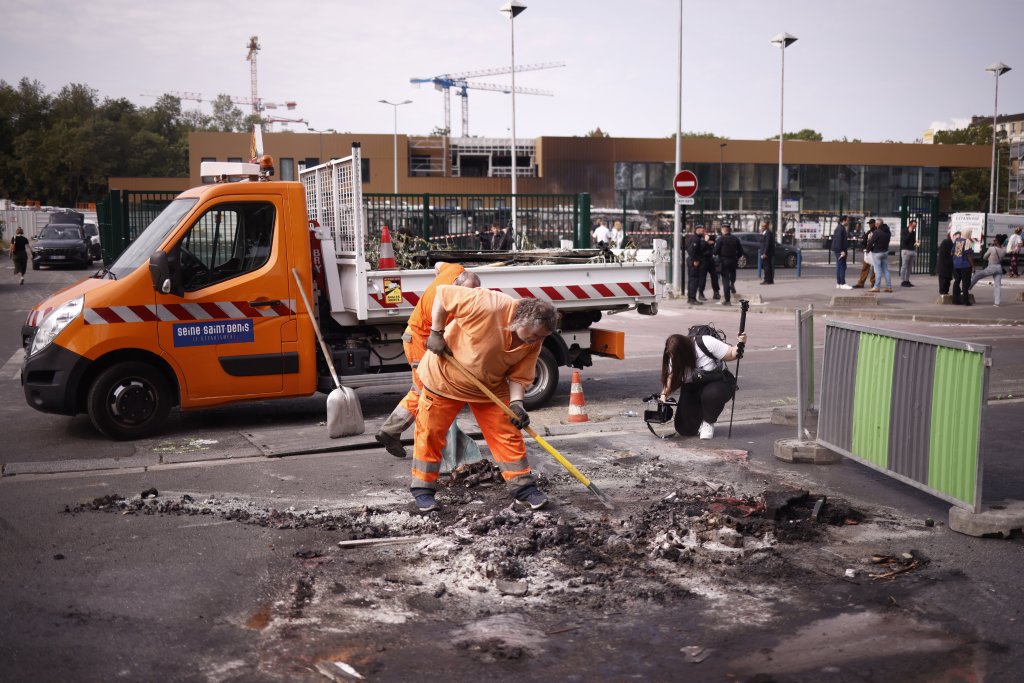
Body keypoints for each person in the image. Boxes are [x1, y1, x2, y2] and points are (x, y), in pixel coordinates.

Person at [411, 288, 558, 512]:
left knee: (508, 433)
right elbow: (443, 294)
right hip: (445, 377)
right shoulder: (489, 304)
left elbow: (519, 376)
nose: (537, 341)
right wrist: (436, 332)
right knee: (430, 432)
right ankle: (423, 491)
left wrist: (516, 404)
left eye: (542, 338)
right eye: (535, 335)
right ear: (522, 319)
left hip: (489, 386)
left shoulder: (533, 341)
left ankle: (523, 489)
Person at [374, 263, 481, 457]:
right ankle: (396, 432)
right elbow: (442, 335)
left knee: (426, 389)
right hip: (420, 341)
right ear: (456, 283)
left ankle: (396, 432)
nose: (462, 300)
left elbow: (437, 265)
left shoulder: (455, 269)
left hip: (418, 336)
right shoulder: (445, 306)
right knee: (426, 391)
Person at [659, 329, 748, 439]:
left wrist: (741, 342)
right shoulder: (674, 357)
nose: (676, 361)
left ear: (686, 351)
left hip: (717, 383)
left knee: (711, 394)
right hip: (693, 387)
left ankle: (708, 421)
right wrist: (663, 396)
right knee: (685, 429)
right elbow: (671, 377)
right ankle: (698, 418)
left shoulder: (705, 343)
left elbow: (731, 354)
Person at [968, 234, 1007, 306]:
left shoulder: (992, 248)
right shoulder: (1004, 250)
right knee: (997, 285)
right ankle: (997, 302)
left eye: (995, 240)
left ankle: (967, 288)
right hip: (999, 268)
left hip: (991, 267)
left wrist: (989, 253)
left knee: (977, 275)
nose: (993, 241)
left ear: (997, 242)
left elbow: (984, 257)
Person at [713, 224, 741, 304]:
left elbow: (715, 252)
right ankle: (732, 284)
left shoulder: (720, 239)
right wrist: (736, 257)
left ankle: (727, 300)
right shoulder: (735, 239)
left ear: (723, 230)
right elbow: (741, 252)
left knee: (725, 280)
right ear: (730, 230)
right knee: (732, 274)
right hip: (733, 260)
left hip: (724, 261)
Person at [867, 220, 892, 293]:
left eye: (876, 224)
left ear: (878, 224)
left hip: (877, 252)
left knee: (877, 271)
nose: (875, 225)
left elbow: (871, 242)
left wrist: (867, 249)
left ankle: (876, 287)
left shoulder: (877, 232)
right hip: (885, 252)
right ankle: (889, 287)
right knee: (886, 270)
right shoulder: (888, 232)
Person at [951, 230, 974, 306]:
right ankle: (965, 301)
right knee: (965, 283)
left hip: (956, 265)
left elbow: (952, 252)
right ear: (968, 234)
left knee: (956, 281)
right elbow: (968, 255)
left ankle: (955, 300)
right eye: (970, 233)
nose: (971, 234)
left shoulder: (957, 240)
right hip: (965, 265)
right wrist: (973, 265)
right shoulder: (967, 241)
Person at [852, 219, 877, 289]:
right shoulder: (869, 232)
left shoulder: (876, 232)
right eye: (869, 223)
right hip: (868, 253)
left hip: (874, 252)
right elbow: (864, 241)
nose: (870, 225)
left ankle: (873, 283)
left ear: (874, 224)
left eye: (871, 223)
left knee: (874, 269)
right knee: (865, 268)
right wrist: (864, 248)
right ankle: (861, 283)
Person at [685, 225, 706, 304]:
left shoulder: (694, 237)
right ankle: (692, 299)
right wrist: (695, 260)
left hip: (692, 260)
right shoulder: (695, 239)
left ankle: (690, 298)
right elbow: (692, 250)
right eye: (701, 229)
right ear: (697, 230)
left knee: (692, 280)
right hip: (694, 261)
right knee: (694, 280)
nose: (703, 231)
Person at [831, 216, 851, 289]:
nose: (848, 222)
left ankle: (839, 283)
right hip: (840, 250)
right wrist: (841, 251)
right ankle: (842, 283)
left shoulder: (839, 228)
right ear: (844, 220)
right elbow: (839, 240)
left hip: (838, 249)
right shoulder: (840, 228)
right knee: (842, 266)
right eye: (847, 220)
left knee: (839, 266)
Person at [700, 231, 721, 300]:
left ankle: (716, 292)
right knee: (702, 277)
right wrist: (706, 242)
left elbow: (715, 247)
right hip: (703, 260)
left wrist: (713, 243)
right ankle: (701, 293)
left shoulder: (712, 240)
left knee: (715, 276)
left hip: (710, 259)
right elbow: (701, 248)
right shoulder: (700, 239)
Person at [900, 219, 920, 287]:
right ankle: (903, 281)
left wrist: (917, 244)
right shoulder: (904, 231)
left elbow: (914, 241)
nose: (914, 227)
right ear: (910, 224)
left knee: (909, 267)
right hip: (906, 251)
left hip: (912, 251)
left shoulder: (913, 232)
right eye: (914, 225)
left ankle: (907, 280)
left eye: (915, 226)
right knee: (904, 266)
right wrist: (909, 233)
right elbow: (905, 241)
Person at [936, 231, 955, 296]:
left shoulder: (953, 243)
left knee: (947, 280)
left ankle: (945, 293)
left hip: (948, 265)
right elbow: (944, 254)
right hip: (944, 265)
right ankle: (943, 293)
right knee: (943, 280)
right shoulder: (946, 242)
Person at [759, 220, 775, 284]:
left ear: (767, 226)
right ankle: (770, 280)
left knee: (766, 267)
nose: (762, 227)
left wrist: (765, 253)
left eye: (764, 226)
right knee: (767, 266)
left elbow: (767, 244)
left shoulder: (768, 233)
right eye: (762, 226)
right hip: (765, 252)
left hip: (766, 253)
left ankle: (767, 280)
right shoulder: (765, 232)